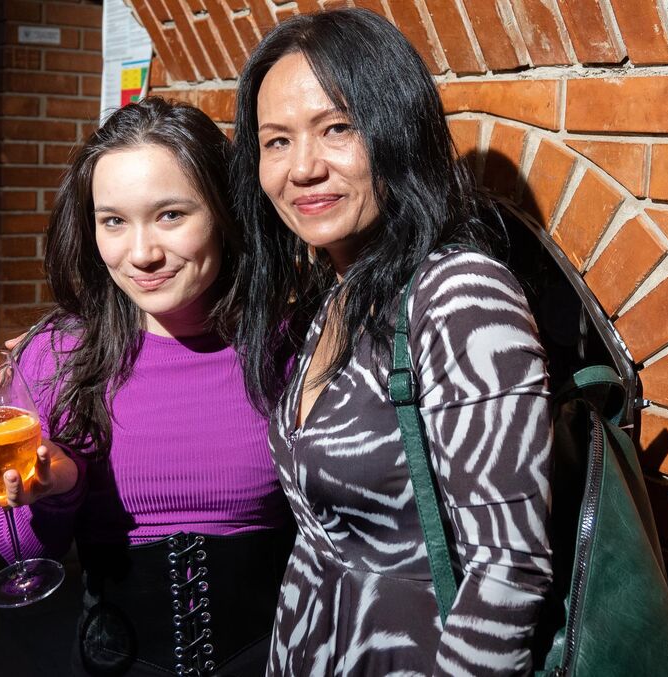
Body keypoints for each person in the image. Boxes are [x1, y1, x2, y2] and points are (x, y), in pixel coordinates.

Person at [231, 9, 553, 676]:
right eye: (277, 141)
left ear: (397, 130)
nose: (303, 168)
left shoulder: (460, 295)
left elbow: (508, 570)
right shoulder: (336, 292)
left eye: (338, 128)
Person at [0, 97, 294, 677]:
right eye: (113, 221)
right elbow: (21, 552)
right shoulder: (56, 357)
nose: (142, 254)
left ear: (224, 211)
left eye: (171, 215)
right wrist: (59, 487)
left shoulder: (290, 345)